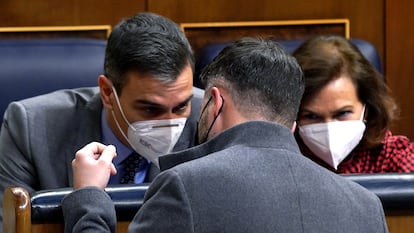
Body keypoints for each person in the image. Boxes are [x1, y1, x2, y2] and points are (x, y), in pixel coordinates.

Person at [62, 37, 388, 233]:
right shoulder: (365, 206)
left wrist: (90, 197)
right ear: (292, 120)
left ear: (214, 102)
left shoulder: (184, 187)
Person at [0, 12, 203, 230]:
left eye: (181, 106)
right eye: (151, 109)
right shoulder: (30, 126)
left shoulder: (209, 119)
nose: (170, 123)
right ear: (107, 92)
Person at [292, 35, 414, 173]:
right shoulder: (282, 162)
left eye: (343, 113)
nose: (329, 129)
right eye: (311, 116)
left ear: (366, 108)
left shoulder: (394, 157)